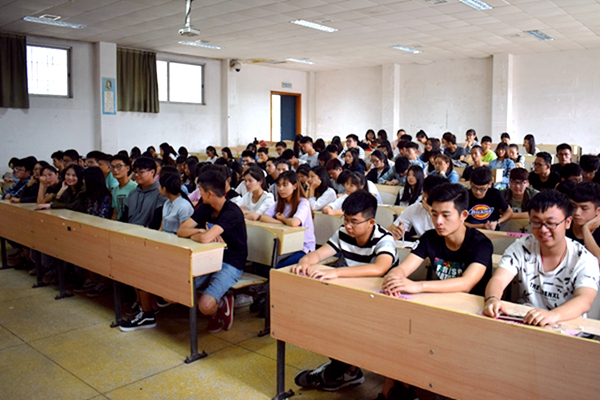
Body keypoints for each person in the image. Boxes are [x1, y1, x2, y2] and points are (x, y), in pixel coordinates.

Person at [380, 183, 493, 400]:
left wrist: (418, 286)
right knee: (398, 335)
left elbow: (466, 283)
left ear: (463, 215)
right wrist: (394, 277)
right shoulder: (430, 238)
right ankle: (394, 391)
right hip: (437, 310)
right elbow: (404, 268)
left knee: (420, 349)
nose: (438, 221)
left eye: (446, 215)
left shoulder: (480, 243)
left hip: (471, 318)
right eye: (434, 214)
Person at [292, 190, 399, 392]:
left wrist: (337, 273)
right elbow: (319, 254)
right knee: (324, 320)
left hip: (381, 302)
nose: (348, 226)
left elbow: (380, 268)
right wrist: (305, 261)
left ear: (371, 222)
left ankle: (341, 370)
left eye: (354, 222)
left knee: (344, 326)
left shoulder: (384, 239)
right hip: (354, 297)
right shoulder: (343, 233)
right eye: (346, 219)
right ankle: (346, 369)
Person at [483, 190, 599, 326]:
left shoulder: (584, 259)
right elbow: (499, 279)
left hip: (567, 328)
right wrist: (492, 299)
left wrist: (553, 315)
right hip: (526, 323)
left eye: (551, 223)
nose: (543, 229)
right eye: (536, 222)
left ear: (568, 222)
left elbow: (584, 299)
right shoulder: (522, 246)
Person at [176, 169, 247, 333]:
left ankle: (220, 304)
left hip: (231, 262)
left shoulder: (232, 212)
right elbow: (181, 230)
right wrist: (199, 232)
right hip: (209, 257)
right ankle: (220, 301)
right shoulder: (205, 207)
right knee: (177, 289)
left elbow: (206, 238)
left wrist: (202, 235)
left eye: (200, 190)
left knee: (205, 305)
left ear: (209, 193)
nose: (198, 194)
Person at [261, 171, 316, 267]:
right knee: (264, 262)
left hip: (303, 248)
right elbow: (264, 217)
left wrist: (283, 219)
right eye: (279, 185)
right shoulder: (281, 202)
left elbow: (295, 222)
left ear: (295, 186)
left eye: (285, 185)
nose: (281, 189)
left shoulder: (303, 203)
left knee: (276, 266)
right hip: (285, 246)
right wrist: (280, 222)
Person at [388, 175, 448, 240]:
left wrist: (432, 213)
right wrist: (393, 234)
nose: (424, 198)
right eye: (424, 193)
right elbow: (388, 232)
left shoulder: (450, 213)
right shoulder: (415, 209)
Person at [121, 157, 166, 229]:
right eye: (135, 172)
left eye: (141, 172)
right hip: (128, 230)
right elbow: (124, 217)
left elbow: (157, 221)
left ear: (152, 172)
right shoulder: (133, 193)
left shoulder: (160, 194)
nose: (136, 175)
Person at [567, 181, 600, 260]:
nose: (577, 213)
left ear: (598, 211)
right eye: (573, 206)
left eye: (584, 208)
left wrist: (586, 229)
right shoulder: (563, 224)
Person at [109, 154, 137, 221]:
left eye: (118, 166)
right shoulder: (115, 190)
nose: (115, 170)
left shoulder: (135, 188)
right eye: (112, 167)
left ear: (128, 168)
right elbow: (115, 212)